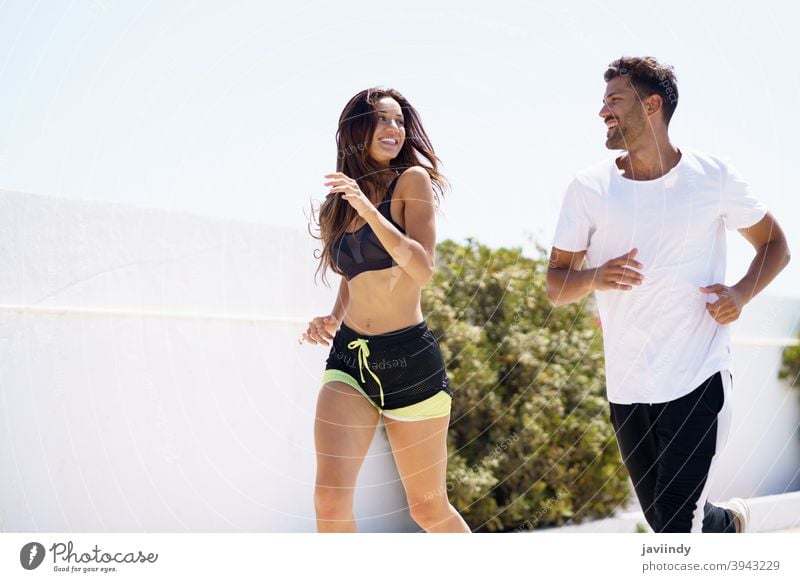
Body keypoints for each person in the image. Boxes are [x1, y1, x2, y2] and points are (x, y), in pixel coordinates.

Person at [547, 56, 790, 533]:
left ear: (651, 104)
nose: (603, 112)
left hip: (698, 376)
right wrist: (595, 275)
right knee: (665, 521)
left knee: (676, 527)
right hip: (628, 385)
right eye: (603, 102)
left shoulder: (712, 176)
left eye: (614, 100)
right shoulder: (588, 188)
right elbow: (557, 283)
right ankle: (728, 526)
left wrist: (740, 294)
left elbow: (775, 246)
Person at [303, 87, 470, 533]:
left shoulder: (410, 181)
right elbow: (353, 275)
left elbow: (422, 267)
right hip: (350, 359)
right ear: (358, 130)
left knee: (428, 510)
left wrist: (370, 211)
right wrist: (334, 317)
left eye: (398, 121)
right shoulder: (338, 202)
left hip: (409, 361)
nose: (393, 129)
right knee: (329, 500)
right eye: (381, 119)